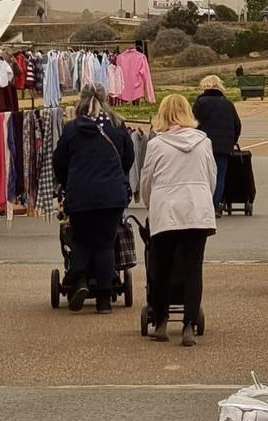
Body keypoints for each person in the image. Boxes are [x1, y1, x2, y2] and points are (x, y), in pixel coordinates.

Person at [140, 94, 217, 347]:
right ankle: (189, 324)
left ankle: (161, 320)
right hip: (196, 208)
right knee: (193, 268)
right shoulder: (203, 142)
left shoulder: (156, 144)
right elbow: (211, 176)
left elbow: (147, 181)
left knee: (161, 268)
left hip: (166, 209)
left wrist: (151, 204)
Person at [52, 83, 134, 314]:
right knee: (105, 244)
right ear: (106, 99)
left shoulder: (72, 128)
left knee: (81, 240)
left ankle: (79, 283)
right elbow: (128, 158)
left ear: (81, 100)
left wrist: (68, 181)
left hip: (80, 194)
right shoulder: (118, 126)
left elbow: (59, 161)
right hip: (111, 195)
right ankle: (104, 300)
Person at [193, 75, 242, 218]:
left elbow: (193, 123)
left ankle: (204, 206)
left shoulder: (200, 103)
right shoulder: (227, 103)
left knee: (203, 176)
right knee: (220, 176)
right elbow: (237, 125)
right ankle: (215, 206)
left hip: (202, 146)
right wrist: (232, 141)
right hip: (223, 147)